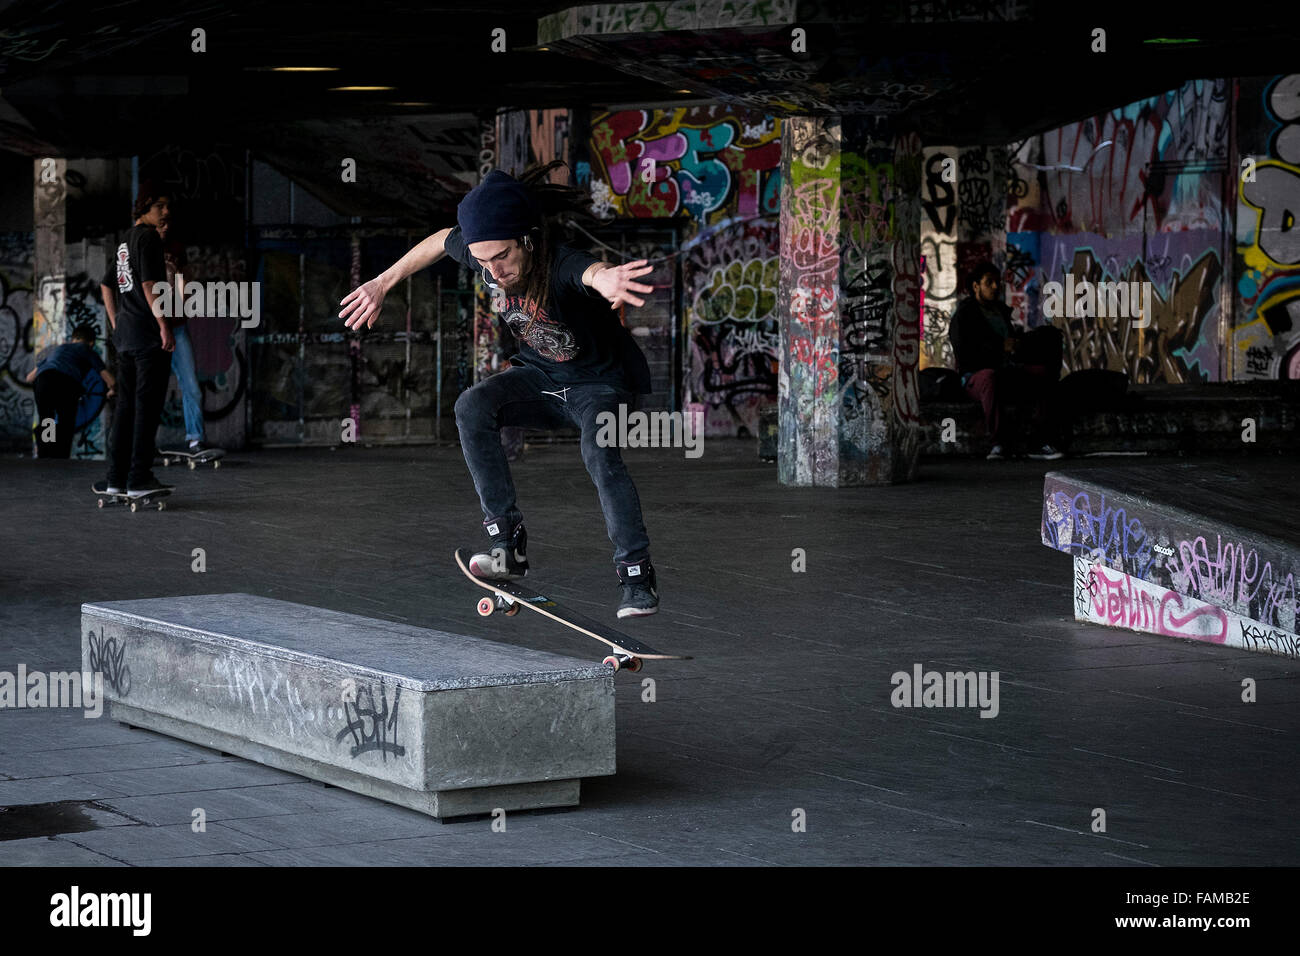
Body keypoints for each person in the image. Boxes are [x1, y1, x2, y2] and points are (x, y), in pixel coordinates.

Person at [339, 164, 661, 618]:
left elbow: (590, 272)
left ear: (527, 239)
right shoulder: (485, 252)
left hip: (600, 388)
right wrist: (382, 281)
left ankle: (636, 576)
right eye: (483, 261)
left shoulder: (560, 262)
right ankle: (507, 545)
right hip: (542, 380)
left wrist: (607, 277)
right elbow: (438, 240)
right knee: (472, 407)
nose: (494, 271)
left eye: (503, 258)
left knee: (599, 453)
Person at [94, 182, 175, 498]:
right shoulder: (149, 237)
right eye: (160, 206)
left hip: (126, 337)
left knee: (125, 408)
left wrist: (116, 323)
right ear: (145, 208)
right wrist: (163, 325)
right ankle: (139, 478)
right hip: (144, 336)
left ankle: (116, 477)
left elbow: (106, 286)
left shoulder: (124, 241)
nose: (166, 212)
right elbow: (149, 284)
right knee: (147, 407)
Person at [949, 261, 1064, 460]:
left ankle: (1041, 442)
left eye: (997, 282)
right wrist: (999, 347)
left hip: (1006, 371)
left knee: (1041, 375)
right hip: (974, 377)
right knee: (989, 377)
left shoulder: (1001, 312)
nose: (995, 287)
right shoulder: (964, 316)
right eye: (989, 282)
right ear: (976, 286)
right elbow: (965, 353)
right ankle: (998, 443)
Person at [158, 218, 219, 457]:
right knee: (149, 389)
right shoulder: (142, 246)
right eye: (161, 222)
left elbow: (184, 277)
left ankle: (195, 438)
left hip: (178, 327)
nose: (165, 227)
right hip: (152, 329)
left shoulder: (175, 248)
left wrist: (183, 302)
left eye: (167, 223)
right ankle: (141, 441)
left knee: (191, 385)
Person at [26, 323, 115, 458]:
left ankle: (45, 456)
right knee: (65, 421)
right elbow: (110, 379)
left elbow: (30, 377)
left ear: (73, 339)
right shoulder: (87, 350)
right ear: (91, 342)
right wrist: (113, 389)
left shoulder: (58, 349)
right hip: (66, 382)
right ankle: (61, 458)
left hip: (43, 380)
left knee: (47, 420)